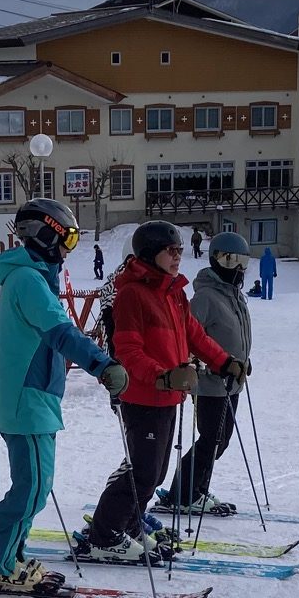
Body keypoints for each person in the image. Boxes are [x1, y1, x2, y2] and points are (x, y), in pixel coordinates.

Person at [0, 199, 126, 594]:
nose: (69, 248)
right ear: (44, 235)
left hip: (35, 398)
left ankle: (9, 557)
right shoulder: (27, 281)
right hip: (27, 399)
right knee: (30, 489)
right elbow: (61, 332)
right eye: (67, 238)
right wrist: (102, 365)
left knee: (34, 488)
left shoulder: (34, 278)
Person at [81, 222, 242, 562]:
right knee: (142, 472)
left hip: (168, 398)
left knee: (154, 473)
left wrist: (225, 361)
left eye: (180, 251)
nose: (178, 257)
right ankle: (105, 533)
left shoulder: (173, 294)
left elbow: (196, 335)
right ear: (150, 253)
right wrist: (164, 377)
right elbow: (128, 351)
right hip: (141, 397)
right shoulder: (132, 294)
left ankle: (126, 525)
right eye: (171, 251)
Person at [157, 230, 252, 516]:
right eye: (230, 259)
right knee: (211, 440)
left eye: (243, 261)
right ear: (215, 260)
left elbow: (235, 336)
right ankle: (182, 493)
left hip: (232, 381)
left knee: (220, 441)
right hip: (211, 383)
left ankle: (196, 488)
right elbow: (188, 341)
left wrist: (243, 361)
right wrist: (209, 366)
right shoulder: (206, 298)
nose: (237, 268)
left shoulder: (235, 296)